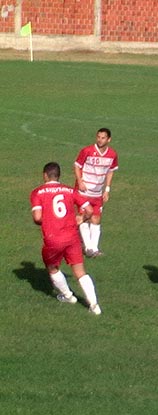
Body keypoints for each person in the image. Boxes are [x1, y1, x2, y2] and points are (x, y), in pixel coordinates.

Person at [30, 162, 102, 315]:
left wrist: (50, 220)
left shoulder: (38, 192)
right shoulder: (70, 190)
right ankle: (94, 305)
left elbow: (37, 217)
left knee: (52, 268)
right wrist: (81, 219)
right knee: (80, 272)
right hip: (72, 237)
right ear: (59, 176)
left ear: (45, 175)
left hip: (53, 239)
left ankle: (68, 296)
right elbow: (89, 210)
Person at [74, 128, 119, 257]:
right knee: (84, 216)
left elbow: (110, 171)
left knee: (96, 219)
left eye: (103, 138)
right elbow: (77, 166)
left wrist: (107, 189)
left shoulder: (112, 154)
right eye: (98, 137)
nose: (100, 140)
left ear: (109, 139)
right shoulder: (87, 151)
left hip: (97, 192)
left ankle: (94, 248)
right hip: (84, 191)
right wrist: (80, 181)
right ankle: (89, 248)